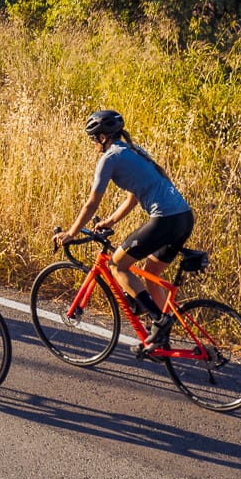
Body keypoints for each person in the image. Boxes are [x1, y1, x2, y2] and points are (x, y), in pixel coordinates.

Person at [51, 109, 193, 348]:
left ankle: (159, 321)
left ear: (103, 137)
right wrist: (110, 221)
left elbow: (92, 202)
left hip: (165, 219)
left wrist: (71, 233)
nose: (93, 143)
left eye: (94, 138)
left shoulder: (109, 158)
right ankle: (162, 339)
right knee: (152, 275)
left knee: (117, 265)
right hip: (184, 217)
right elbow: (133, 198)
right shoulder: (136, 151)